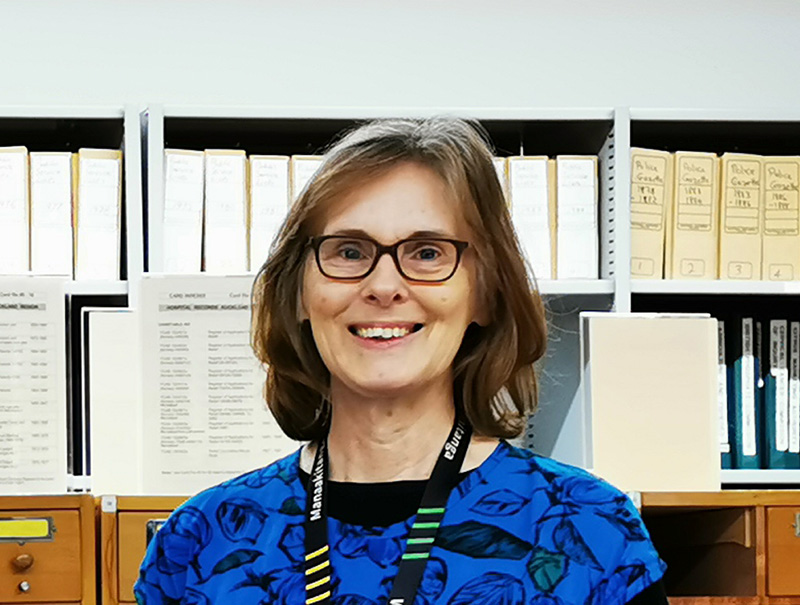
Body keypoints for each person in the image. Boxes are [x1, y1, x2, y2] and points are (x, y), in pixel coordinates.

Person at [135, 118, 668, 604]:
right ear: (300, 292)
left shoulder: (590, 529)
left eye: (428, 252)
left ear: (483, 293)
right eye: (348, 251)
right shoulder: (201, 541)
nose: (384, 286)